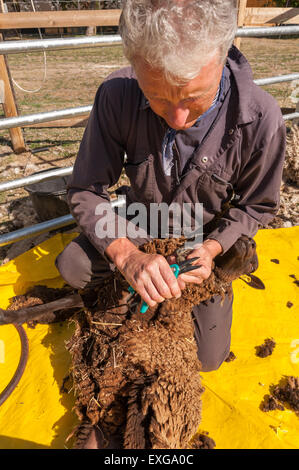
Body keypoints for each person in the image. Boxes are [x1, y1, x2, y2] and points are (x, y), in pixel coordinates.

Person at [56, 0, 286, 431]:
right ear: (136, 67)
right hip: (141, 227)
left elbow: (257, 206)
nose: (178, 118)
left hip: (204, 243)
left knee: (209, 357)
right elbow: (86, 190)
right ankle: (136, 288)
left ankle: (168, 291)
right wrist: (126, 253)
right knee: (71, 265)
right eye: (157, 97)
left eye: (194, 97)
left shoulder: (262, 119)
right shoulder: (116, 96)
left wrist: (214, 249)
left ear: (222, 54)